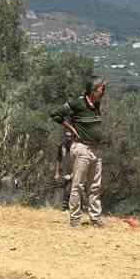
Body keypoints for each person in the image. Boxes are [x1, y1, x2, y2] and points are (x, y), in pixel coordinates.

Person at [51, 79, 106, 227]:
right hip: (82, 149)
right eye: (101, 89)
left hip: (95, 150)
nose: (103, 92)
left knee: (95, 186)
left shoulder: (96, 105)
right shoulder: (77, 103)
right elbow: (56, 114)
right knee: (78, 185)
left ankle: (95, 218)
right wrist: (71, 129)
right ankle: (75, 219)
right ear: (93, 90)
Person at [55, 126, 74, 210]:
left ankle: (72, 206)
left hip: (75, 170)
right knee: (65, 188)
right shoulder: (62, 146)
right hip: (65, 170)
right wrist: (57, 173)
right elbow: (58, 159)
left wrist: (73, 174)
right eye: (67, 136)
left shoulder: (76, 147)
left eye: (70, 136)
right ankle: (64, 206)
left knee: (73, 188)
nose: (68, 138)